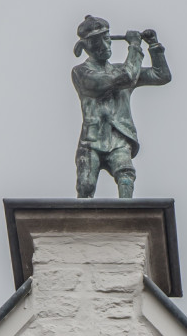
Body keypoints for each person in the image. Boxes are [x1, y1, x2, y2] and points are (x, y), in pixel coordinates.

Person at [71, 14, 171, 198]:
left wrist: (154, 46)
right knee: (85, 186)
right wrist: (134, 47)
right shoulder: (81, 72)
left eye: (106, 38)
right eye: (96, 41)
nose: (104, 45)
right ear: (85, 47)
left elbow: (161, 75)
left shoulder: (122, 69)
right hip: (91, 141)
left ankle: (127, 217)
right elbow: (125, 78)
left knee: (125, 175)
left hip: (120, 138)